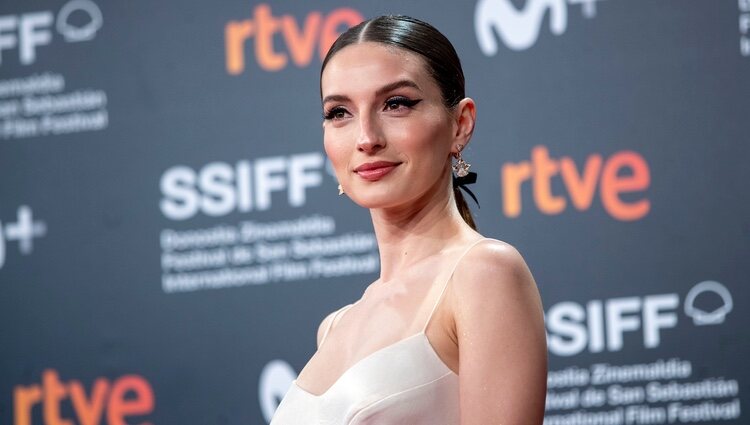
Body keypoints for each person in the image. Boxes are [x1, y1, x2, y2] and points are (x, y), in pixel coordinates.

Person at [270, 15, 547, 425]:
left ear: (460, 124)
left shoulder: (484, 273)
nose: (366, 137)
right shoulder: (334, 327)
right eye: (339, 112)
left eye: (396, 104)